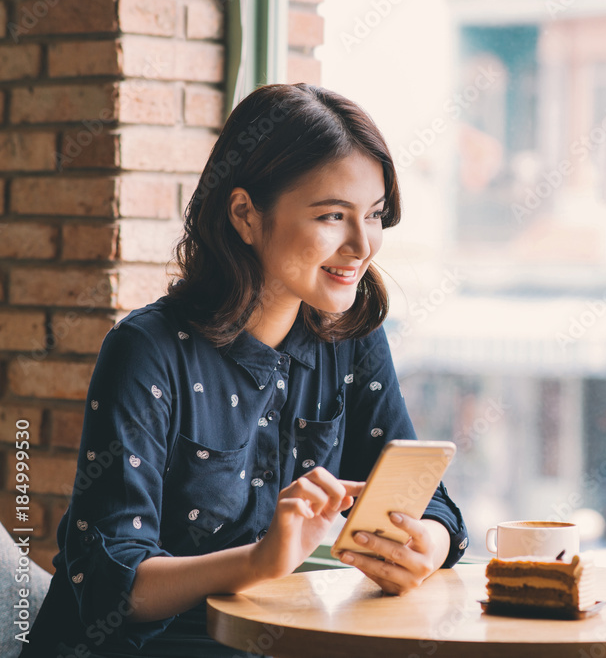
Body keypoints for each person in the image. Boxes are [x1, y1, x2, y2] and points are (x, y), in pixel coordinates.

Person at [21, 84, 469, 657]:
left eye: (375, 215)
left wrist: (423, 545)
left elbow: (424, 497)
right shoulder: (146, 350)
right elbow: (113, 585)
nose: (362, 245)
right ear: (245, 215)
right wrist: (261, 561)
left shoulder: (351, 338)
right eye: (333, 215)